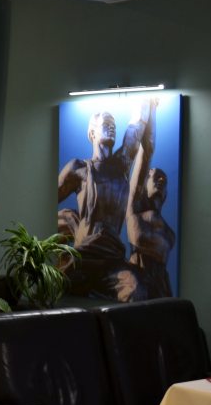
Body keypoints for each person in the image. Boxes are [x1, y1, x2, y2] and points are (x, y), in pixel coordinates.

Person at [57, 100, 154, 299]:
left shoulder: (122, 164)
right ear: (92, 133)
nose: (112, 127)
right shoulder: (79, 168)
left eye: (114, 125)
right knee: (57, 291)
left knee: (135, 287)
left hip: (112, 256)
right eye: (106, 124)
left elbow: (137, 126)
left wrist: (149, 104)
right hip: (84, 254)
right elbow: (47, 199)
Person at [125, 99, 175, 299]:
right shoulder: (135, 208)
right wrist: (151, 107)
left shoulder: (169, 233)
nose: (161, 180)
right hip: (138, 283)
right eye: (156, 176)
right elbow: (147, 151)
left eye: (165, 179)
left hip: (161, 288)